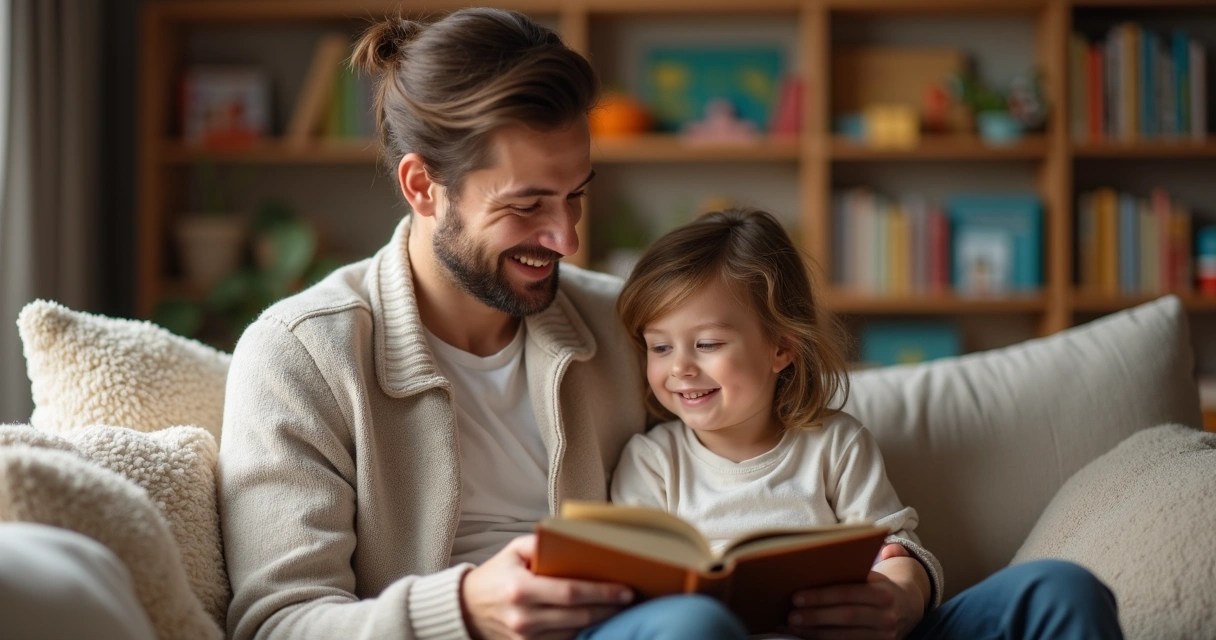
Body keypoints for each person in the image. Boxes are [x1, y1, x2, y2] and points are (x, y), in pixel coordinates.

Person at [219, 8, 746, 640]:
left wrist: (899, 567)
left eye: (575, 194)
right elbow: (275, 624)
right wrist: (462, 608)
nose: (566, 238)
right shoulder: (301, 355)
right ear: (423, 187)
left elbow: (768, 448)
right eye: (526, 205)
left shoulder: (624, 326)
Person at [610, 208, 1124, 640]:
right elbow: (640, 600)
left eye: (707, 344)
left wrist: (898, 596)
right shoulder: (653, 462)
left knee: (1061, 589)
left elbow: (896, 548)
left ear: (781, 347)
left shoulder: (833, 444)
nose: (678, 367)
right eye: (659, 347)